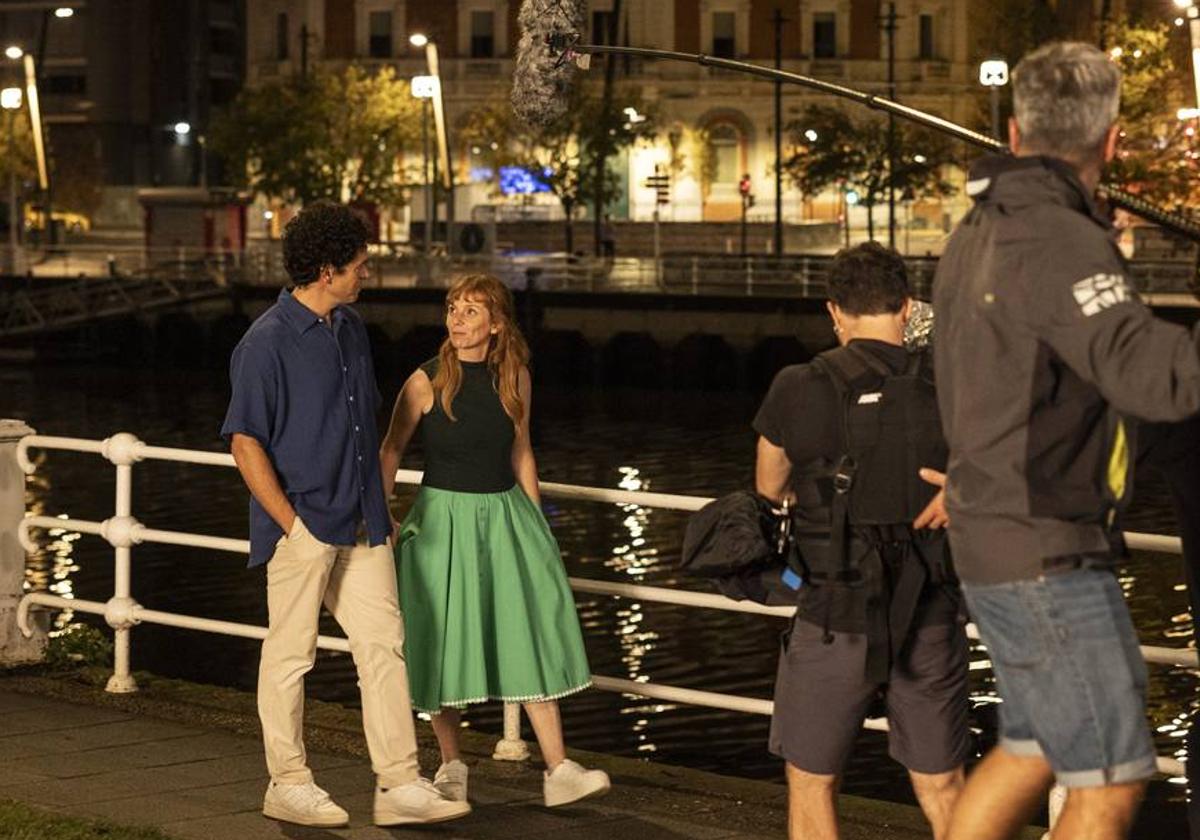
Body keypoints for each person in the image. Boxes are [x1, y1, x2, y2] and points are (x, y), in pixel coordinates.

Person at [932, 42, 1200, 840]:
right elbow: (1155, 378)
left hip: (996, 534)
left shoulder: (979, 230)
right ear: (1112, 140)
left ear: (1015, 132)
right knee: (1113, 781)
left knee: (1030, 748)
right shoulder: (1056, 240)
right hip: (1046, 550)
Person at [221, 201, 470, 829]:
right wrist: (291, 524)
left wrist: (377, 504)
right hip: (303, 524)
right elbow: (244, 442)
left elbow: (364, 425)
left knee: (385, 646)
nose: (368, 274)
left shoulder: (350, 326)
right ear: (327, 268)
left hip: (362, 521)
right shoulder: (265, 344)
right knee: (290, 655)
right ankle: (289, 782)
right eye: (359, 265)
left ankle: (398, 782)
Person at [754, 242, 968, 840]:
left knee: (812, 780)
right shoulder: (948, 385)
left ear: (834, 312)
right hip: (928, 613)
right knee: (942, 785)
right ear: (905, 306)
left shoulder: (797, 385)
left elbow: (768, 487)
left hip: (832, 613)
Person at [379, 273, 611, 809]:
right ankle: (452, 766)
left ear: (497, 324)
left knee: (525, 632)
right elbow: (390, 450)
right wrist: (382, 516)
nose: (457, 320)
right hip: (443, 521)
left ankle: (558, 770)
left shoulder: (516, 377)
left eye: (470, 311)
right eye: (453, 309)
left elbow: (522, 451)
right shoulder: (426, 380)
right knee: (444, 642)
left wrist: (537, 525)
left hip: (506, 518)